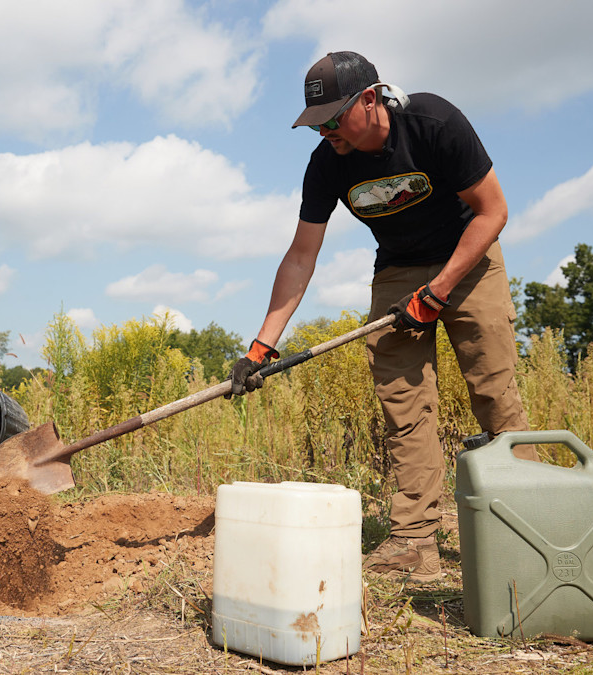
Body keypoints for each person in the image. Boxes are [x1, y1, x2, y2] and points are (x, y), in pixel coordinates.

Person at [229, 51, 536, 582]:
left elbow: (494, 212)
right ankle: (415, 540)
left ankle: (533, 525)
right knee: (403, 401)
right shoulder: (328, 162)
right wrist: (262, 346)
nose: (324, 132)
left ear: (369, 99)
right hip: (398, 269)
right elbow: (301, 255)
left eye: (332, 119)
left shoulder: (435, 124)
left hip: (470, 258)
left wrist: (438, 291)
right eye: (314, 124)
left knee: (493, 388)